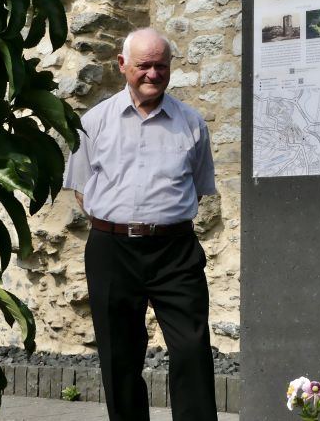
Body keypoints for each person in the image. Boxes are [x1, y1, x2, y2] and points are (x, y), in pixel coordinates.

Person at [64, 28, 218, 421]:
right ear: (122, 66)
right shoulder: (94, 122)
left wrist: (158, 220)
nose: (153, 73)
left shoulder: (192, 124)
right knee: (119, 356)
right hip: (112, 250)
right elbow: (82, 189)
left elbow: (197, 189)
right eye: (143, 65)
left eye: (161, 66)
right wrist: (120, 222)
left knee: (191, 351)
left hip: (175, 252)